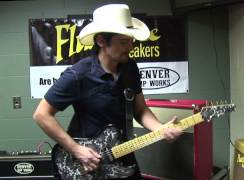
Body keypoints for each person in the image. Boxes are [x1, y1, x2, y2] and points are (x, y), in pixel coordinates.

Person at [33, 4, 182, 180]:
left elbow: (140, 110)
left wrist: (160, 129)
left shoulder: (130, 68)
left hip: (123, 154)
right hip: (87, 163)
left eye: (131, 40)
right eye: (123, 42)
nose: (131, 47)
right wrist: (76, 149)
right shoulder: (79, 74)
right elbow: (42, 115)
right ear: (101, 41)